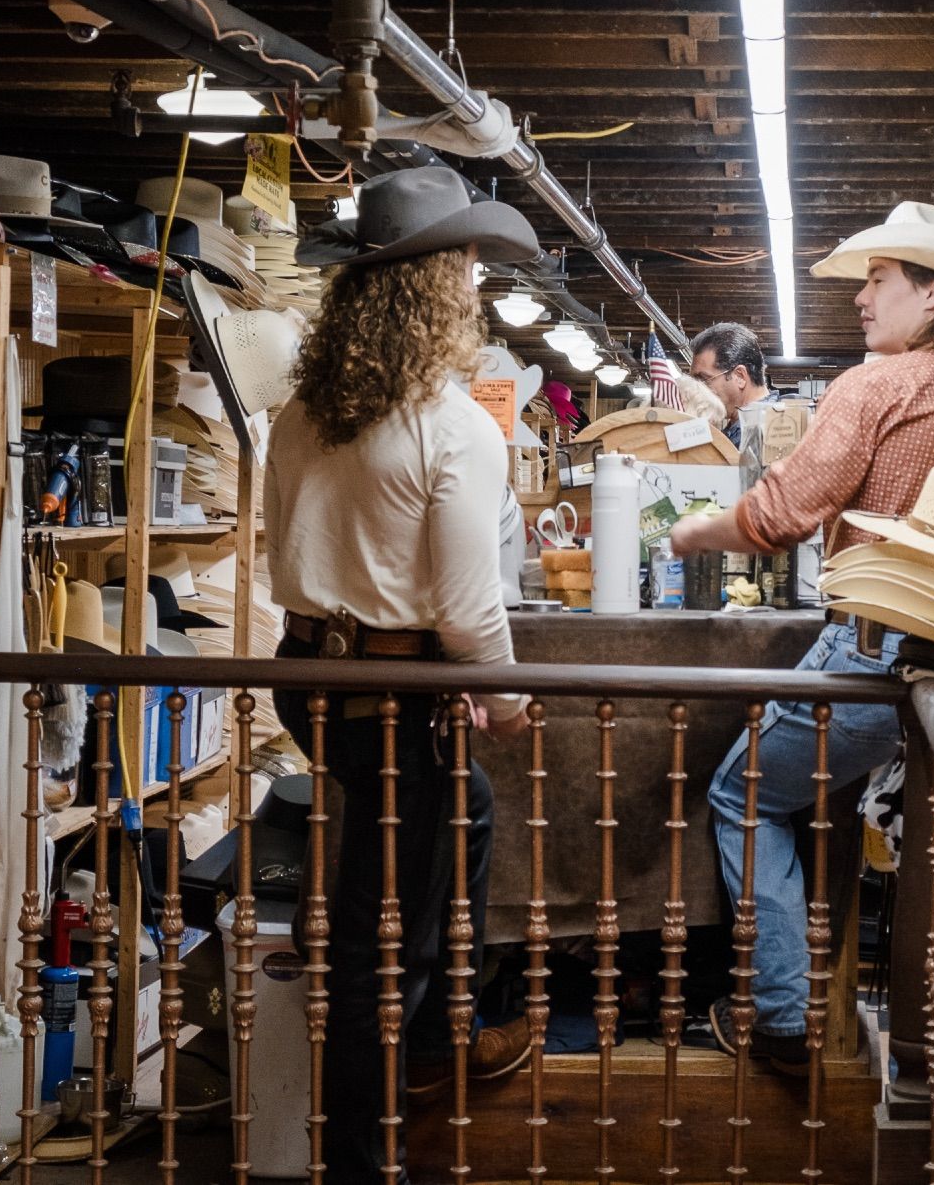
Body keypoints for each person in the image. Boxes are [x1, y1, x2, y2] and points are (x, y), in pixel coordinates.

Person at [669, 201, 934, 1073]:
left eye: (880, 280)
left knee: (744, 793)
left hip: (883, 647)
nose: (862, 299)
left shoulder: (877, 384)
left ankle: (781, 1016)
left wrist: (690, 534)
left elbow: (780, 514)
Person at [265, 165, 539, 1183]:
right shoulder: (453, 424)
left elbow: (276, 554)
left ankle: (432, 1041)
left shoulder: (300, 414)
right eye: (464, 264)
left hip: (309, 674)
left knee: (446, 830)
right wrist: (507, 699)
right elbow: (470, 606)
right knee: (392, 937)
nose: (474, 281)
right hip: (391, 695)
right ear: (433, 285)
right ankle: (363, 1152)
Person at [691, 321, 779, 445]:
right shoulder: (735, 430)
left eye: (704, 380)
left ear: (740, 377)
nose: (698, 390)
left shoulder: (774, 431)